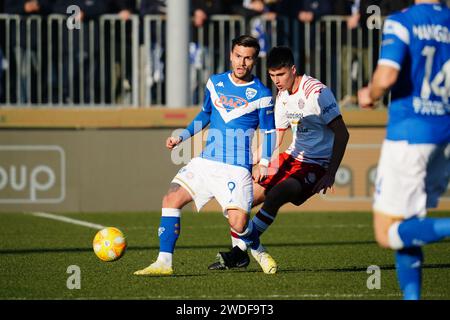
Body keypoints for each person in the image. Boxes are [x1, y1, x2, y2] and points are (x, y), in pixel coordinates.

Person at [134, 35, 277, 276]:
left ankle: (259, 251)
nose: (242, 62)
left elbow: (270, 131)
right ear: (231, 55)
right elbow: (204, 115)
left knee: (238, 224)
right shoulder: (215, 83)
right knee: (171, 199)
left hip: (236, 168)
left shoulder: (261, 94)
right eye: (238, 56)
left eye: (248, 58)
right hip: (205, 161)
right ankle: (164, 263)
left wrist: (263, 162)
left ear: (254, 61)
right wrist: (182, 136)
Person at [209, 46, 350, 272]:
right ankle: (242, 255)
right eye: (272, 76)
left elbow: (342, 134)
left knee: (277, 194)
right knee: (241, 199)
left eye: (281, 74)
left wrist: (331, 173)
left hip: (316, 164)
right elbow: (275, 137)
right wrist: (255, 161)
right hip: (292, 157)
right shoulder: (282, 96)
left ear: (293, 70)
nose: (277, 80)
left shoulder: (317, 93)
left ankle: (238, 252)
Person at [358, 0, 450, 300]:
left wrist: (368, 94)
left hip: (409, 135)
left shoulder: (402, 21)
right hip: (444, 135)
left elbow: (386, 77)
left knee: (386, 233)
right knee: (409, 224)